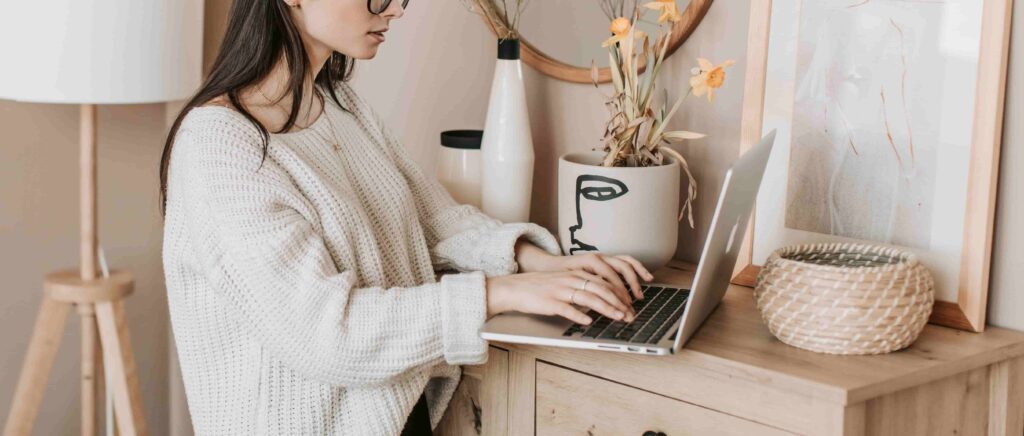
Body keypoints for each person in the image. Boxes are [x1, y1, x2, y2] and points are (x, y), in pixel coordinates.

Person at [158, 0, 652, 433]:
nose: (394, 10)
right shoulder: (219, 147)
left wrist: (535, 262)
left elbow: (430, 218)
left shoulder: (338, 103)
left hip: (398, 415)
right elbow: (327, 335)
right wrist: (499, 293)